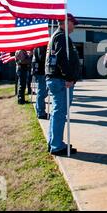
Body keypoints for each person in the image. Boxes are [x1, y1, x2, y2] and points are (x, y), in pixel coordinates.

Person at [45, 13, 81, 156]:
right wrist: (68, 77)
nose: (75, 26)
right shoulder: (61, 36)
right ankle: (57, 145)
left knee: (56, 113)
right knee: (60, 113)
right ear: (66, 22)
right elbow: (61, 59)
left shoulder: (58, 36)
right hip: (61, 80)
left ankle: (54, 142)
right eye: (73, 23)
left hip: (57, 79)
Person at [32, 45, 48, 119]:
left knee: (41, 92)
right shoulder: (41, 46)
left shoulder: (37, 46)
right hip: (41, 71)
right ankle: (41, 112)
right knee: (42, 92)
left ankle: (39, 110)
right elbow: (42, 58)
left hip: (39, 71)